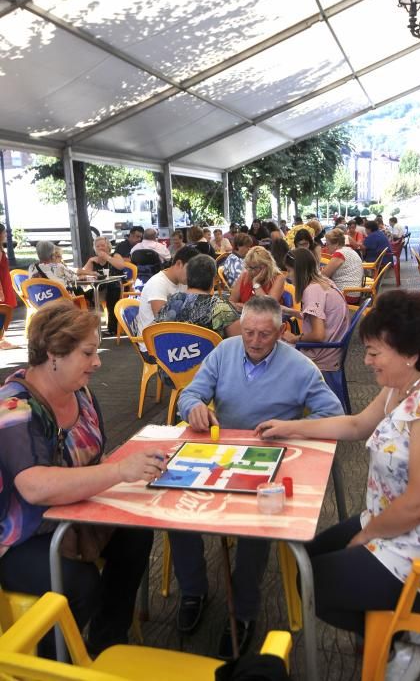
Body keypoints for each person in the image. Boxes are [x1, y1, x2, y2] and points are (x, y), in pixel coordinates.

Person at [255, 290, 420, 681]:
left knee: (316, 584)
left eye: (374, 352)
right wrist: (291, 427)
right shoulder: (404, 386)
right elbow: (355, 425)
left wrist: (366, 535)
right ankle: (390, 630)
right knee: (309, 562)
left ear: (411, 353)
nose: (366, 360)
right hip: (395, 525)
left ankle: (399, 637)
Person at [173, 296, 343, 658]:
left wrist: (292, 427)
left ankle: (244, 611)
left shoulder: (300, 367)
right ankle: (193, 591)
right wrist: (195, 408)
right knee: (176, 510)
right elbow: (189, 395)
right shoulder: (224, 351)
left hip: (269, 458)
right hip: (220, 452)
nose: (253, 341)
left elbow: (334, 415)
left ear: (281, 331)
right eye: (248, 331)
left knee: (256, 526)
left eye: (264, 335)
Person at [0, 300, 165, 658]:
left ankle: (106, 644)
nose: (98, 361)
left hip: (76, 516)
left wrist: (132, 473)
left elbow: (96, 458)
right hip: (21, 537)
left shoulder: (82, 394)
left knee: (136, 534)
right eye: (88, 352)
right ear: (52, 354)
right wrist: (120, 471)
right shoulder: (14, 407)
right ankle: (47, 665)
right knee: (81, 585)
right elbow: (34, 486)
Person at [283, 248, 349, 372]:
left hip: (321, 357)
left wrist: (295, 338)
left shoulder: (312, 291)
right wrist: (290, 311)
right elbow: (323, 318)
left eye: (289, 270)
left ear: (299, 271)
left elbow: (318, 335)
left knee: (272, 351)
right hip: (332, 351)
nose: (288, 275)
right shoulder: (324, 282)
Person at [154, 254, 240, 338]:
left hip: (173, 351)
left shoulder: (171, 301)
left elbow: (155, 333)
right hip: (211, 352)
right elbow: (239, 342)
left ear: (187, 277)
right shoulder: (220, 307)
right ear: (213, 280)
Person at [137, 246, 199, 357]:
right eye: (191, 271)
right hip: (154, 345)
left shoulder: (182, 282)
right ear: (179, 264)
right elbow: (164, 323)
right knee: (207, 351)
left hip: (172, 338)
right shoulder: (157, 284)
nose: (193, 276)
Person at [79, 237, 126, 337]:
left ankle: (112, 328)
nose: (100, 248)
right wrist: (90, 265)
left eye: (103, 245)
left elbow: (121, 266)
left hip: (117, 287)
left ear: (108, 247)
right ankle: (89, 327)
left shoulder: (115, 256)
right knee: (81, 294)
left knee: (113, 289)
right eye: (97, 246)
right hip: (98, 289)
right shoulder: (93, 260)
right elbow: (82, 274)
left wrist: (107, 257)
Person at [322, 228, 364, 303]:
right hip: (354, 292)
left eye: (328, 244)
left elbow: (324, 275)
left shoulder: (339, 253)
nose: (326, 247)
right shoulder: (349, 250)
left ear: (337, 244)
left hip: (345, 294)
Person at [0, 223, 17, 350]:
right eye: (4, 232)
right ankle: (1, 340)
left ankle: (2, 338)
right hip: (2, 284)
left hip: (5, 282)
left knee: (5, 311)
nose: (6, 234)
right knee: (4, 311)